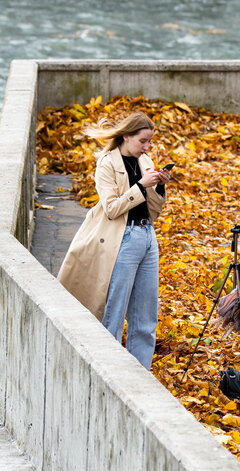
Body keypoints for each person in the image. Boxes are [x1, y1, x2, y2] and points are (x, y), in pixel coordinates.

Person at [58, 112, 171, 369]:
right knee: (114, 310)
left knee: (145, 314)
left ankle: (140, 372)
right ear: (126, 136)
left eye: (149, 142)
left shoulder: (146, 161)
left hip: (147, 236)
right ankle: (108, 370)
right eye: (143, 141)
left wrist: (159, 187)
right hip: (123, 238)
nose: (147, 147)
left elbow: (153, 211)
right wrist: (141, 186)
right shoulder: (107, 163)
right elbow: (111, 209)